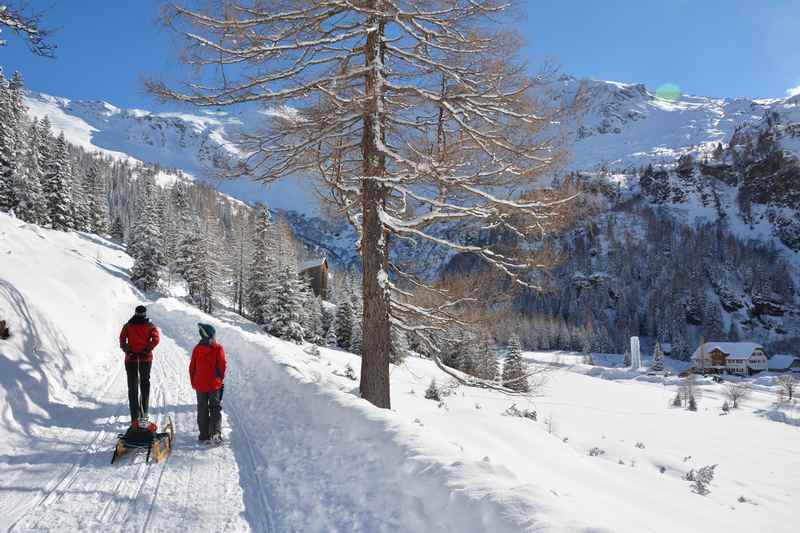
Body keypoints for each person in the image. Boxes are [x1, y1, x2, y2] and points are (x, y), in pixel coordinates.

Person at [119, 305, 160, 426]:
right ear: (145, 314)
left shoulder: (128, 325)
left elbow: (122, 339)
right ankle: (143, 416)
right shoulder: (150, 325)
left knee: (133, 388)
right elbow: (156, 339)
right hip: (145, 359)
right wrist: (147, 349)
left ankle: (134, 419)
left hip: (131, 359)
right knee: (144, 386)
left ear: (135, 313)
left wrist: (128, 350)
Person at [189, 323, 226, 443]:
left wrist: (193, 382)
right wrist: (220, 378)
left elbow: (192, 367)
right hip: (214, 385)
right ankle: (215, 433)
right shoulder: (218, 348)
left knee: (202, 409)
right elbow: (222, 366)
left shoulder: (197, 348)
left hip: (200, 384)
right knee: (215, 408)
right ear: (211, 335)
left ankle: (204, 435)